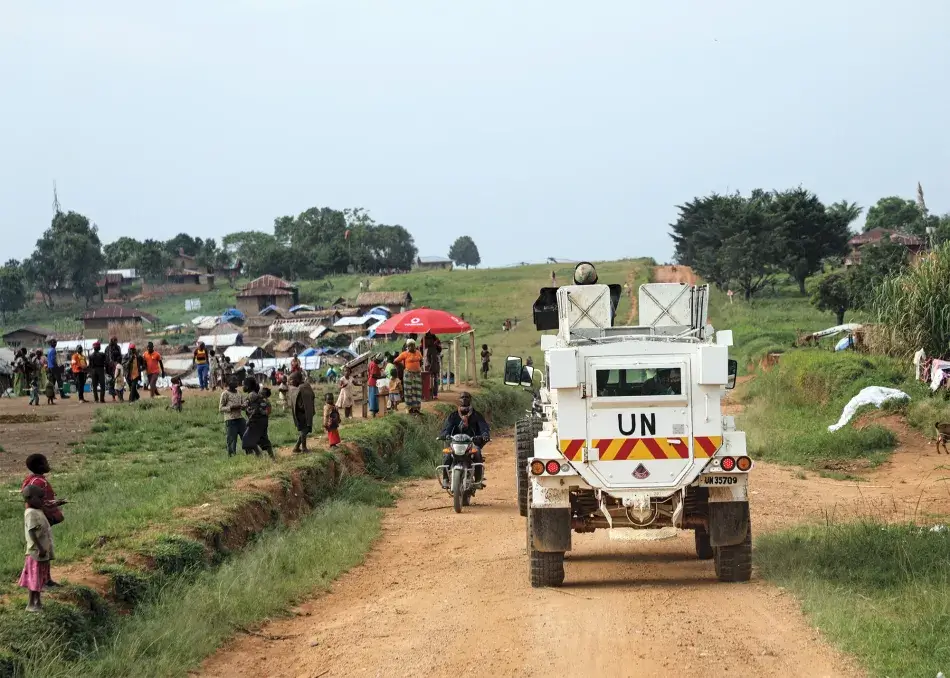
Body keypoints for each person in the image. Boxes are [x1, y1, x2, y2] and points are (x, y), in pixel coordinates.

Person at [21, 454, 65, 588]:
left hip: (42, 517)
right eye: (46, 462)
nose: (48, 464)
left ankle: (45, 579)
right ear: (40, 466)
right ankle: (43, 580)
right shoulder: (39, 482)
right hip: (41, 519)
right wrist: (52, 506)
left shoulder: (32, 480)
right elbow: (39, 501)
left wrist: (56, 503)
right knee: (41, 550)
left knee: (44, 549)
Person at [439, 392, 490, 487]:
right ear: (459, 400)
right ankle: (445, 479)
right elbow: (447, 428)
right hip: (455, 443)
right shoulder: (453, 416)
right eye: (462, 397)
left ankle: (478, 479)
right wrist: (445, 435)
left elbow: (484, 427)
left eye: (466, 397)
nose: (464, 399)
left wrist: (484, 434)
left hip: (471, 443)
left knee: (477, 452)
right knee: (447, 455)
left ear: (470, 399)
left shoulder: (476, 415)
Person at [20, 485, 53, 612]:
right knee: (34, 579)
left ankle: (37, 602)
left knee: (38, 578)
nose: (42, 500)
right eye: (40, 498)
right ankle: (31, 604)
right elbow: (32, 532)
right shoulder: (31, 513)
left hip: (41, 551)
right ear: (30, 499)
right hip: (35, 552)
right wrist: (40, 548)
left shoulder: (37, 511)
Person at [242, 377, 274, 459]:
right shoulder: (256, 394)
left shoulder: (251, 395)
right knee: (263, 438)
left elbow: (253, 409)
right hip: (263, 420)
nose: (242, 387)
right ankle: (272, 458)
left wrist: (240, 406)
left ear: (248, 386)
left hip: (256, 421)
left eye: (244, 385)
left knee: (247, 441)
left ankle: (259, 456)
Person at [288, 371, 316, 453]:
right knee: (304, 430)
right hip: (301, 413)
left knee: (304, 430)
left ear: (297, 379)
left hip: (304, 413)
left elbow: (310, 397)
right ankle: (303, 448)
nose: (290, 382)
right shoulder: (301, 387)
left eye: (291, 380)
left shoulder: (303, 387)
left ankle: (297, 447)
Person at [219, 377, 246, 456]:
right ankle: (232, 456)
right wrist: (231, 408)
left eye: (237, 380)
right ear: (229, 383)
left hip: (240, 418)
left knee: (245, 436)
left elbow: (243, 403)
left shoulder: (239, 393)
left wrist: (243, 406)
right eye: (234, 381)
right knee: (231, 440)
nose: (236, 382)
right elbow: (220, 408)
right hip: (230, 419)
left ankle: (249, 452)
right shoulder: (225, 394)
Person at [395, 339, 423, 414]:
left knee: (417, 390)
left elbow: (421, 360)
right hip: (408, 374)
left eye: (412, 345)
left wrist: (418, 367)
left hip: (417, 374)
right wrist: (404, 367)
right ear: (407, 347)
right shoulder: (405, 354)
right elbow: (395, 361)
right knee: (408, 391)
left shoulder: (418, 353)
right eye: (409, 346)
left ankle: (416, 408)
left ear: (415, 346)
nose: (411, 347)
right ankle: (409, 408)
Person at [424, 332, 442, 398]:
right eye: (426, 339)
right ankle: (432, 394)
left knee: (434, 380)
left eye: (428, 339)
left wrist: (430, 367)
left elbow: (433, 358)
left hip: (432, 366)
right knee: (433, 380)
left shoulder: (433, 347)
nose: (427, 340)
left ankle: (433, 394)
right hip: (430, 365)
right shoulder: (427, 346)